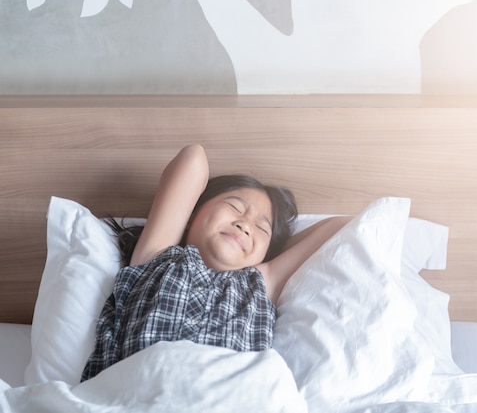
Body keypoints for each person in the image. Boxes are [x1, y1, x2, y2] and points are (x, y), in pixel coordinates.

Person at [81, 144, 350, 381]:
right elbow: (192, 158)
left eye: (261, 227)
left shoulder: (262, 282)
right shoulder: (156, 255)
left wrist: (272, 249)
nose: (245, 225)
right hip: (141, 388)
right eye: (234, 207)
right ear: (190, 215)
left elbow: (341, 226)